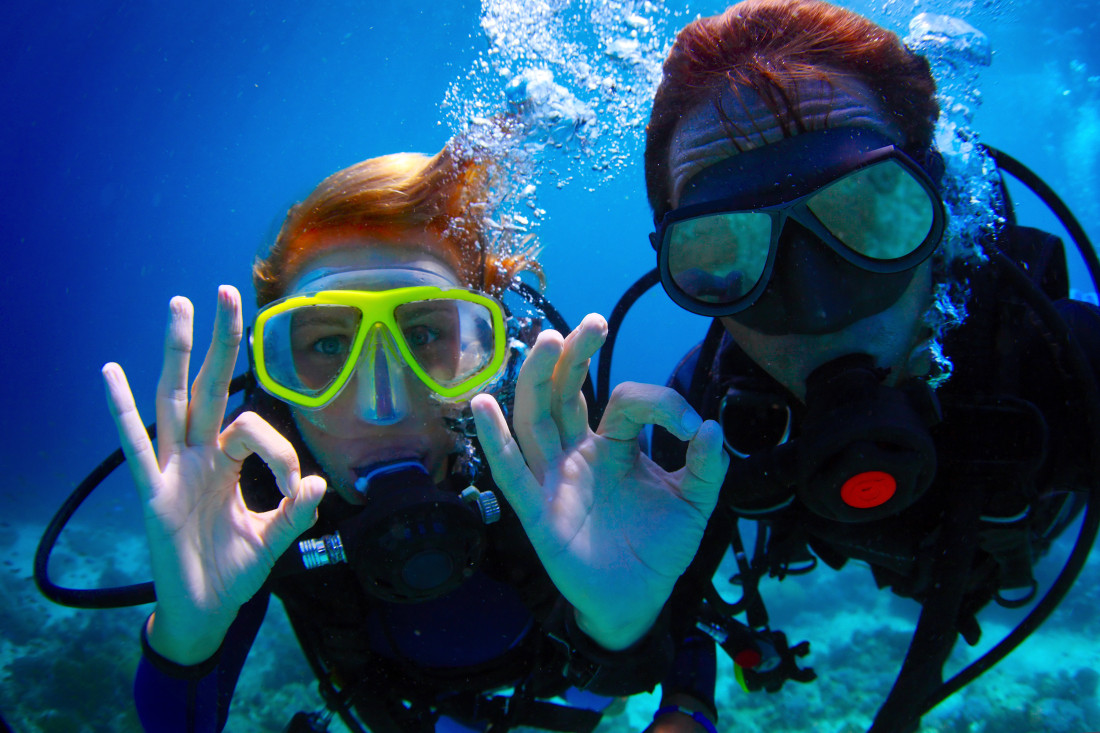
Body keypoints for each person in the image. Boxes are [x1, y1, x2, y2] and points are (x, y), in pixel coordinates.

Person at [101, 143, 730, 732]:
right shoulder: (253, 490)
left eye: (425, 335)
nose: (384, 406)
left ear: (488, 354)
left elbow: (659, 650)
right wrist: (188, 635)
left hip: (566, 683)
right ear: (279, 372)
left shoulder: (548, 447)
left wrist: (621, 626)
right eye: (328, 345)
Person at [635, 1, 1100, 731]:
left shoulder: (1060, 367)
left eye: (868, 212)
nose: (819, 307)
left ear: (939, 203)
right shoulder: (698, 426)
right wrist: (662, 687)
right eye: (723, 248)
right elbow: (668, 602)